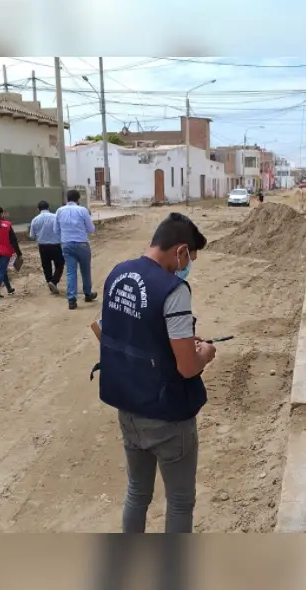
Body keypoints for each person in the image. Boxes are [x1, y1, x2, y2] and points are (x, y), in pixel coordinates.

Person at [98, 212, 215, 533]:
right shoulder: (173, 290)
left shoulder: (118, 274)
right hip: (167, 416)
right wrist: (204, 353)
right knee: (179, 501)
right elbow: (187, 367)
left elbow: (106, 331)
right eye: (188, 258)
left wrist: (161, 342)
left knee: (137, 492)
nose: (187, 265)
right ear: (179, 250)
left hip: (128, 406)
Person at [54, 189, 96, 310]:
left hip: (66, 244)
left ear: (67, 198)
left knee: (70, 272)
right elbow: (91, 229)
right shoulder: (82, 210)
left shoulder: (59, 211)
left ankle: (72, 299)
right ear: (78, 199)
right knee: (85, 270)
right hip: (82, 243)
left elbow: (56, 230)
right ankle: (88, 294)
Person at [28, 200, 64, 294]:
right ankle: (54, 281)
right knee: (60, 264)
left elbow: (32, 235)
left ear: (38, 209)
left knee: (46, 266)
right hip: (55, 245)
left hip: (43, 247)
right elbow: (61, 230)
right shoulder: (55, 217)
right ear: (48, 207)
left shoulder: (35, 219)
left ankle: (50, 283)